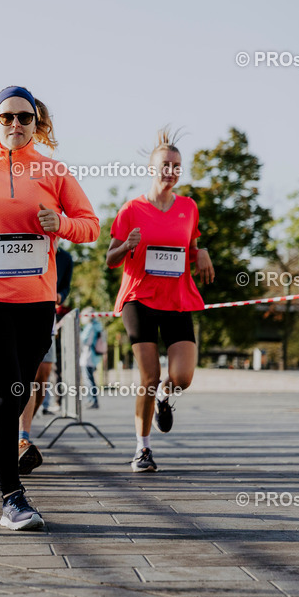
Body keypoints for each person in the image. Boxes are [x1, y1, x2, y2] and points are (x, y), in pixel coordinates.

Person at [0, 86, 99, 530]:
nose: (15, 124)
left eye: (24, 118)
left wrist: (62, 223)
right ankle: (14, 499)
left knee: (16, 393)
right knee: (7, 391)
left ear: (37, 123)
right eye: (6, 117)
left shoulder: (54, 171)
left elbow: (90, 226)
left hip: (35, 300)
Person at [105, 128, 214, 473]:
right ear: (152, 168)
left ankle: (166, 398)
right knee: (149, 377)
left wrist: (202, 253)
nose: (171, 170)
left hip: (177, 297)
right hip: (140, 298)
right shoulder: (131, 209)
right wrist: (127, 245)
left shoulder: (188, 207)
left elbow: (191, 246)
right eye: (165, 164)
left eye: (177, 165)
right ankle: (143, 448)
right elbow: (111, 259)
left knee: (182, 377)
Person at [17, 245, 73, 475]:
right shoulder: (28, 246)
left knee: (42, 378)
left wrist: (60, 295)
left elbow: (66, 286)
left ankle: (24, 424)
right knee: (24, 377)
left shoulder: (65, 257)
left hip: (47, 314)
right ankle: (22, 437)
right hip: (19, 311)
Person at [79, 308, 105, 409]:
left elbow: (84, 340)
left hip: (87, 356)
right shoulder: (98, 326)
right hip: (94, 357)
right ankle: (92, 400)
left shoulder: (90, 327)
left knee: (88, 380)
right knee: (91, 380)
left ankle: (92, 400)